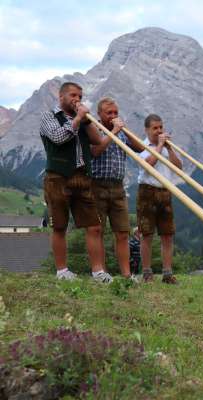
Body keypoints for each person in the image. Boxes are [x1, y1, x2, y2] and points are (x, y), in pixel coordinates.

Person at [39, 81, 111, 283]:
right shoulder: (49, 117)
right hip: (58, 177)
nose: (77, 99)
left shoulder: (83, 119)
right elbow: (58, 137)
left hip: (82, 176)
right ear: (61, 97)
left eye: (80, 96)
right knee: (60, 226)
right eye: (73, 95)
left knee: (94, 226)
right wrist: (78, 118)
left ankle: (98, 272)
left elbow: (97, 141)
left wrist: (86, 120)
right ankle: (62, 271)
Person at [90, 97, 145, 279]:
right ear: (100, 114)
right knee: (97, 230)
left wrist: (125, 130)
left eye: (115, 112)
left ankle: (126, 274)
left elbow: (139, 148)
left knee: (122, 232)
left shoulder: (121, 131)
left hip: (118, 187)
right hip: (97, 186)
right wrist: (113, 131)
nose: (113, 116)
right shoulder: (93, 128)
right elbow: (95, 151)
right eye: (109, 113)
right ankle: (100, 272)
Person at [137, 114, 182, 284]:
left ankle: (167, 273)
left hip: (165, 191)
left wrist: (169, 148)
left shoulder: (167, 147)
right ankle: (147, 273)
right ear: (147, 130)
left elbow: (178, 168)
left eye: (161, 127)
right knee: (146, 233)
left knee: (167, 234)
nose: (159, 131)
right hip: (147, 192)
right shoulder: (142, 146)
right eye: (155, 128)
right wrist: (160, 145)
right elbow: (148, 165)